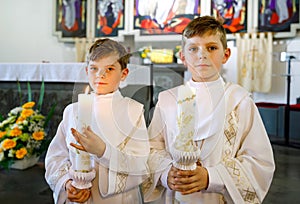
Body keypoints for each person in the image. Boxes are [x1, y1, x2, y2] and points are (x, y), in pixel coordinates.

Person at [142, 16, 275, 203]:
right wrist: (165, 173)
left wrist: (211, 177)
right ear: (183, 57)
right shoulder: (168, 100)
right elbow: (151, 148)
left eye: (211, 48)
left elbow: (260, 161)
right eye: (193, 48)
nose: (202, 55)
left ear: (226, 55)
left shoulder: (239, 101)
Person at [45, 38, 150, 204]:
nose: (100, 75)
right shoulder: (72, 111)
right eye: (94, 69)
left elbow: (140, 165)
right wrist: (67, 184)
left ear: (123, 74)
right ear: (87, 71)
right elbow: (56, 157)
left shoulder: (133, 111)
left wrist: (103, 151)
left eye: (109, 68)